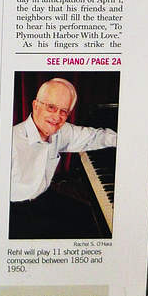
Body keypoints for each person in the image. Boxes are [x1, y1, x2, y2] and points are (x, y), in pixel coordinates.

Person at [9, 78, 117, 239]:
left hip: (44, 196)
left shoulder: (59, 131)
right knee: (68, 232)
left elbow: (94, 137)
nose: (56, 117)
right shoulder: (9, 142)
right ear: (36, 106)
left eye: (63, 111)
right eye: (51, 107)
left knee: (88, 215)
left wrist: (128, 141)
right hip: (14, 209)